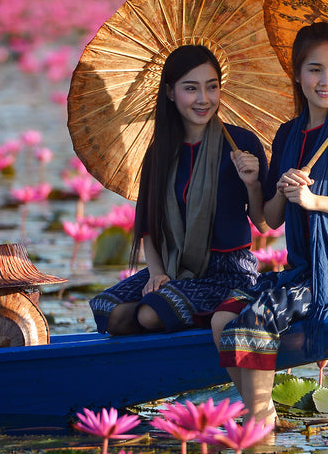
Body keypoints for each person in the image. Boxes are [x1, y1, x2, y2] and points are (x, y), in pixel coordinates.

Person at [211, 21, 328, 426]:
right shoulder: (287, 134)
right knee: (224, 317)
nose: (325, 81)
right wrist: (258, 185)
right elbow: (269, 220)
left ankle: (258, 424)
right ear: (297, 74)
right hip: (304, 267)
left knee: (257, 317)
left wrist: (315, 201)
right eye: (315, 69)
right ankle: (263, 413)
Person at [90, 44, 269, 335]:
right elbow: (148, 228)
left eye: (212, 87)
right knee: (107, 311)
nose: (203, 99)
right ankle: (172, 318)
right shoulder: (159, 153)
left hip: (227, 273)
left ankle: (187, 316)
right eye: (191, 89)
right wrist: (158, 273)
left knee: (150, 313)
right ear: (171, 93)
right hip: (174, 266)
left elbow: (263, 221)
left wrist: (253, 184)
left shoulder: (240, 144)